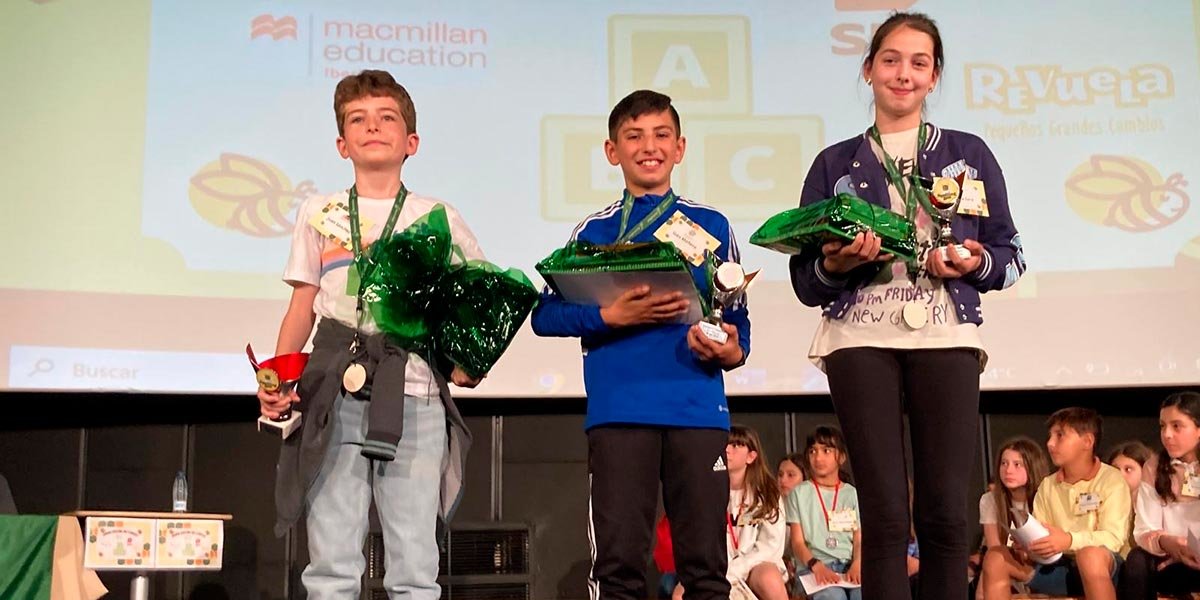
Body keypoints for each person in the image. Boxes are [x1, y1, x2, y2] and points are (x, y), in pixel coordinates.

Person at [787, 11, 1025, 600]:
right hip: (860, 336)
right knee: (887, 514)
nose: (903, 73)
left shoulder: (968, 153)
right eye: (890, 60)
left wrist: (973, 264)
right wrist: (838, 264)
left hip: (946, 334)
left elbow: (1011, 256)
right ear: (868, 69)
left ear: (934, 75)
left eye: (919, 63)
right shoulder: (833, 164)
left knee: (945, 513)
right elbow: (805, 280)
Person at [258, 69, 485, 599]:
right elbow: (302, 307)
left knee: (412, 565)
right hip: (333, 395)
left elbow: (478, 299)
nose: (372, 127)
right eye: (358, 120)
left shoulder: (437, 216)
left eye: (387, 118)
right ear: (342, 144)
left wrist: (468, 362)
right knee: (332, 563)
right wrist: (276, 376)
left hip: (414, 397)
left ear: (412, 142)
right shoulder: (320, 212)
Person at [530, 89, 751, 600]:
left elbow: (739, 325)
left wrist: (729, 350)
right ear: (612, 151)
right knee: (619, 571)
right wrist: (611, 315)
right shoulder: (593, 230)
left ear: (680, 147)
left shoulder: (712, 225)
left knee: (706, 573)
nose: (647, 146)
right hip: (619, 412)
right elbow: (545, 314)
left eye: (660, 135)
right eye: (633, 136)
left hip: (697, 410)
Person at [992, 407, 1130, 600]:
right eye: (1050, 436)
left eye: (1060, 436)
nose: (1050, 443)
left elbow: (1113, 539)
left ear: (1087, 441)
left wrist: (1069, 540)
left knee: (1089, 556)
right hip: (1057, 567)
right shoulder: (1048, 485)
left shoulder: (1111, 480)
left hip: (1105, 570)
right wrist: (1028, 546)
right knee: (996, 557)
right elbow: (1041, 533)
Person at [1118, 391, 1200, 600]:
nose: (1167, 434)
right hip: (1168, 560)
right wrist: (1168, 544)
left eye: (1177, 426)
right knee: (1137, 560)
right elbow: (1145, 528)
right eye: (1163, 426)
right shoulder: (1154, 468)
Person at [787, 426, 862, 600]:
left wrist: (857, 563)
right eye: (813, 451)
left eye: (826, 450)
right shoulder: (800, 493)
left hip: (848, 566)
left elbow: (859, 538)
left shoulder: (852, 494)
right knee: (833, 597)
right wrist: (816, 565)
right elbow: (797, 543)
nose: (818, 457)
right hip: (812, 568)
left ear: (841, 457)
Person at [977, 437, 1050, 598]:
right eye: (1004, 463)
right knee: (990, 568)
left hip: (1040, 564)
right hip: (1008, 562)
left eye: (1017, 465)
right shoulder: (990, 500)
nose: (1008, 470)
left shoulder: (1046, 496)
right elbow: (994, 547)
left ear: (1032, 467)